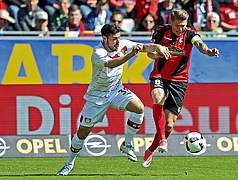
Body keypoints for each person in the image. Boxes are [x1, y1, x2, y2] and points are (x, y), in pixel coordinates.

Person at [56, 23, 170, 176]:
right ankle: (69, 163)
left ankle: (127, 144)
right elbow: (111, 64)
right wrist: (130, 55)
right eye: (114, 39)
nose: (117, 42)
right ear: (104, 38)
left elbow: (144, 47)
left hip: (116, 90)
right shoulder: (98, 52)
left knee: (139, 109)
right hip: (97, 96)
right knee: (83, 132)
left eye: (118, 38)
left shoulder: (122, 44)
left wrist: (158, 47)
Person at [141, 8, 219, 168]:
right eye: (178, 26)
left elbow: (200, 44)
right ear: (171, 22)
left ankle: (150, 150)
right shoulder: (161, 31)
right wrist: (159, 54)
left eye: (183, 25)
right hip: (160, 76)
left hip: (179, 80)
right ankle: (163, 139)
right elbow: (150, 54)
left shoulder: (190, 33)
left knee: (170, 123)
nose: (181, 29)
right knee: (157, 97)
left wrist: (208, 52)